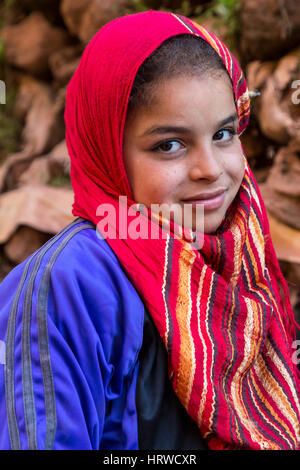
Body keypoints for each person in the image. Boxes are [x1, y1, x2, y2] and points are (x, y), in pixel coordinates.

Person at [0, 9, 299, 451]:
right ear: (106, 150)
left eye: (224, 133)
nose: (210, 169)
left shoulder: (238, 263)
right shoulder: (67, 287)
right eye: (169, 145)